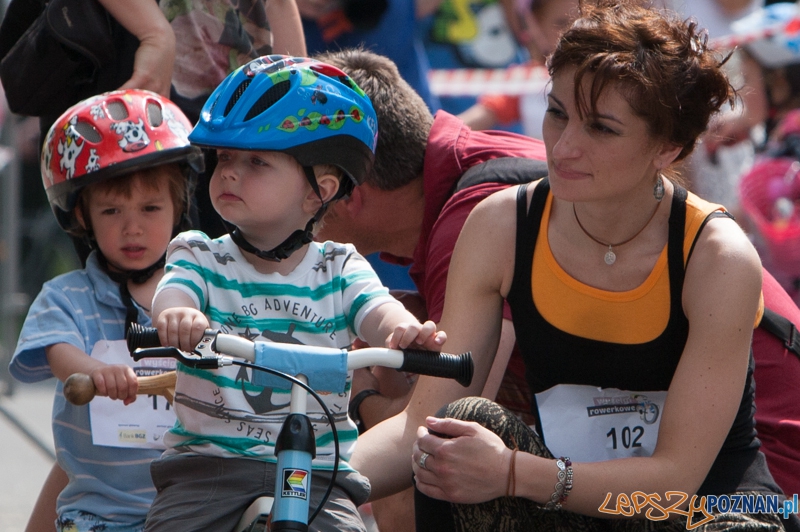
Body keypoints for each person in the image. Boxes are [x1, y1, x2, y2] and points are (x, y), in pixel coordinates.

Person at [351, 2, 800, 530]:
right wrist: (295, 479)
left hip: (709, 504)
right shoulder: (500, 224)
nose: (562, 148)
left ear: (667, 147)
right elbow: (414, 429)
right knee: (454, 430)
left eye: (601, 129)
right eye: (557, 112)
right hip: (564, 491)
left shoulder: (718, 256)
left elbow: (674, 483)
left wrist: (517, 474)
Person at [144, 55, 445, 532]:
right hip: (210, 468)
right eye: (224, 158)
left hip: (321, 471)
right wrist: (177, 315)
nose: (230, 173)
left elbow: (378, 311)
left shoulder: (340, 267)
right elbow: (174, 294)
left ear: (318, 191)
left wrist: (403, 332)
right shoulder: (199, 255)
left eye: (257, 161)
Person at [311, 47, 547, 531]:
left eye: (292, 177)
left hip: (696, 488)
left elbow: (439, 427)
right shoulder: (455, 183)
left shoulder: (472, 212)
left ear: (347, 193)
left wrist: (361, 400)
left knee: (420, 476)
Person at [8, 89, 204, 532]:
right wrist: (95, 371)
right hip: (101, 512)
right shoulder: (67, 296)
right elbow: (58, 351)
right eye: (111, 210)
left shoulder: (202, 290)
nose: (132, 226)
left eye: (150, 208)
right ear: (82, 216)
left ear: (179, 207)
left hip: (198, 507)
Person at [459, 0, 580, 139]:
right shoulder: (526, 80)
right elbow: (476, 118)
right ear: (536, 26)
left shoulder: (608, 74)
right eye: (562, 24)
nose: (576, 32)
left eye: (585, 20)